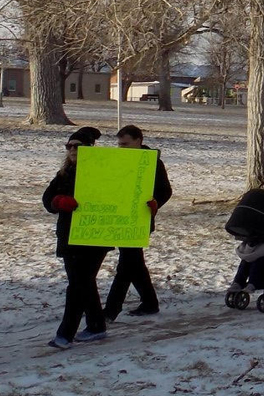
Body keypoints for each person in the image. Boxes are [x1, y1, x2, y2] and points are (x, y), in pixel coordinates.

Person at [43, 127, 110, 348]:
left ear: (90, 149)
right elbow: (47, 198)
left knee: (78, 285)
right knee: (83, 282)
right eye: (69, 146)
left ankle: (65, 334)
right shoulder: (64, 173)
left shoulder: (104, 172)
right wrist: (57, 202)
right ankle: (97, 326)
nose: (72, 150)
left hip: (96, 237)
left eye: (77, 146)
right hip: (69, 236)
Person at [103, 124, 172, 320]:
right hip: (120, 218)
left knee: (126, 265)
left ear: (138, 141)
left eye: (125, 144)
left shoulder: (153, 163)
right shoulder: (117, 161)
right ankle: (150, 303)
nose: (121, 148)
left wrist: (155, 203)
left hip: (140, 220)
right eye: (119, 144)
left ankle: (110, 311)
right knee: (135, 263)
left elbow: (165, 191)